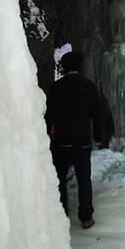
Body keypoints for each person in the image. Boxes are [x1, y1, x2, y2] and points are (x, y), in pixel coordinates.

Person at [45, 50, 103, 228]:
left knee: (60, 177)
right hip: (83, 140)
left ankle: (62, 212)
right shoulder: (89, 86)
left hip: (62, 140)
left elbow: (50, 116)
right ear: (80, 66)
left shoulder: (56, 88)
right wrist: (98, 137)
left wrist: (47, 135)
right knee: (83, 178)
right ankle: (86, 216)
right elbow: (97, 114)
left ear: (63, 67)